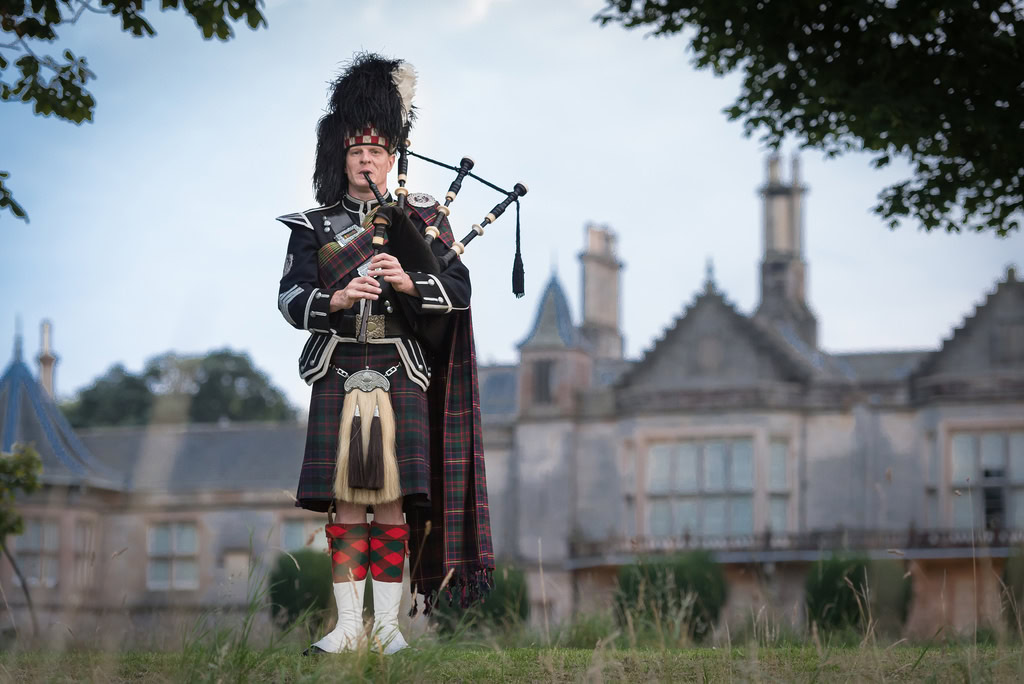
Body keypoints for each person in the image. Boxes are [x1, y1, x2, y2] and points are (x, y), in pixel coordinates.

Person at [276, 53, 494, 655]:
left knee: (393, 499)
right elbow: (290, 300)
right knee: (347, 500)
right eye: (355, 151)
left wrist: (407, 281)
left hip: (403, 369)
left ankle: (390, 628)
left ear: (393, 155)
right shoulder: (312, 227)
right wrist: (338, 296)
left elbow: (460, 293)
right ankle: (348, 628)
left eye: (376, 150)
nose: (366, 159)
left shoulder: (422, 220)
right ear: (339, 158)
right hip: (338, 368)